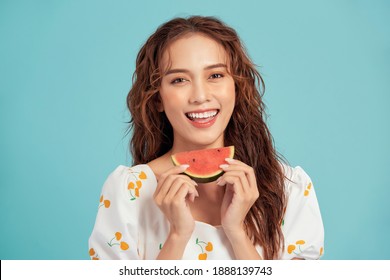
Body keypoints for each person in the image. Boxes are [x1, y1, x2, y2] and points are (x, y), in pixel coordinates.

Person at [88, 16, 324, 260]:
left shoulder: (289, 188)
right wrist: (178, 235)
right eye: (179, 80)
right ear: (158, 98)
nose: (200, 96)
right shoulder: (128, 192)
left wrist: (237, 233)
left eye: (215, 76)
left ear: (237, 86)